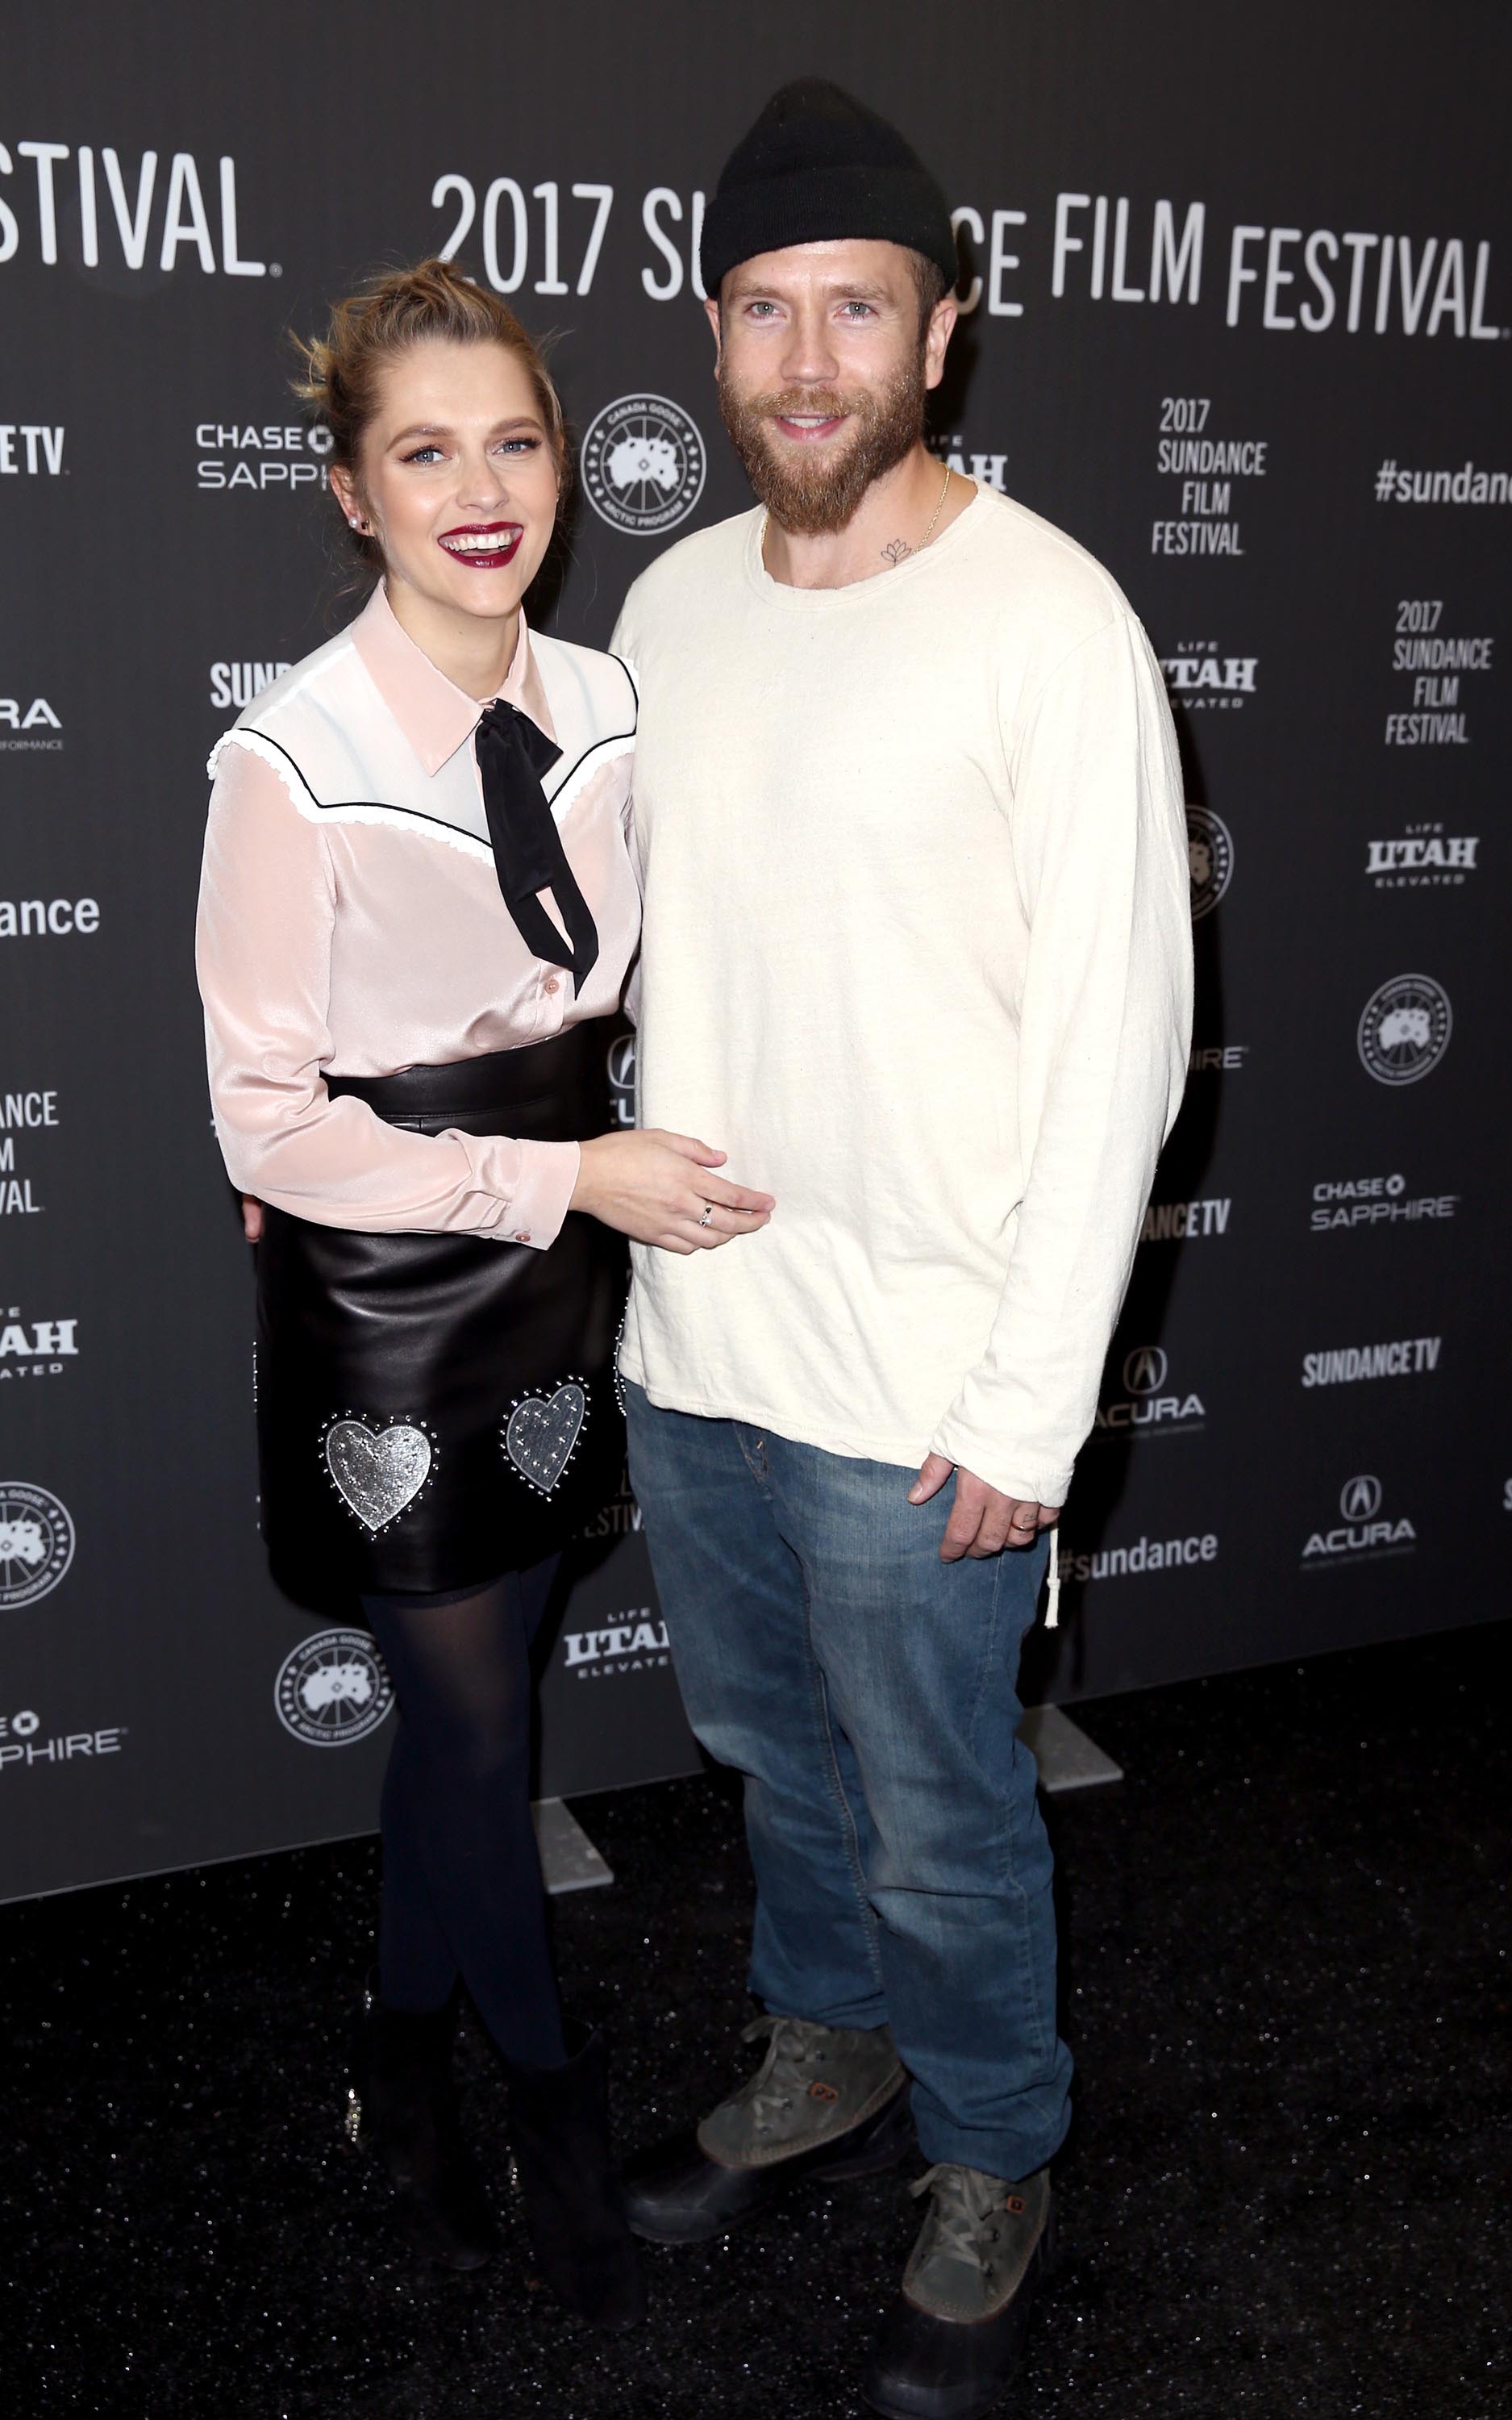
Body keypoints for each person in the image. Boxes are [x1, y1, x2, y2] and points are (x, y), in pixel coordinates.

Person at [613, 81, 1193, 2419]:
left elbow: (1122, 1039)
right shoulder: (659, 600)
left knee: (948, 1815)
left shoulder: (1052, 624)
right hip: (702, 1350)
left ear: (942, 335)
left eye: (859, 306)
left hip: (930, 1389)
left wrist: (1031, 1405)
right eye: (767, 311)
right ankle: (828, 2045)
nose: (811, 355)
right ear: (720, 341)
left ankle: (992, 2148)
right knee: (773, 1755)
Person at [194, 260, 772, 2330]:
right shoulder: (293, 756)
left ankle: (395, 2060)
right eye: (422, 451)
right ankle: (546, 2105)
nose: (480, 488)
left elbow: (645, 979)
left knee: (468, 1727)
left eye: (513, 440)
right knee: (474, 1730)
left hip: (560, 1277)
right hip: (393, 1286)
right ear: (350, 489)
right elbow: (268, 1125)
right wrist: (566, 1176)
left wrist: (607, 1181)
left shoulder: (612, 705)